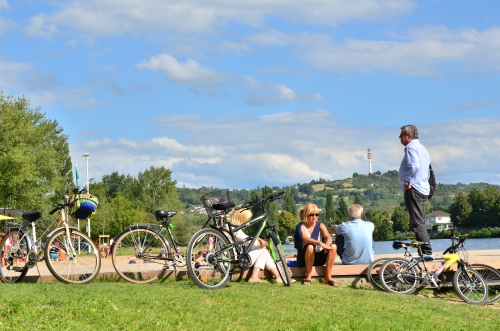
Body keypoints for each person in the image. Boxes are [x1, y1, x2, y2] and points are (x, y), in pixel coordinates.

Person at [398, 124, 432, 255]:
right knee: (420, 222)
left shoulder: (410, 147)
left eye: (401, 135)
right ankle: (423, 251)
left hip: (414, 189)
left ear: (409, 136)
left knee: (417, 223)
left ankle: (426, 253)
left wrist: (407, 181)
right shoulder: (422, 148)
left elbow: (415, 166)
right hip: (422, 188)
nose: (399, 138)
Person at [229, 209, 284, 284]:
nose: (248, 222)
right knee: (263, 250)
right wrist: (262, 244)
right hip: (236, 263)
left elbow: (246, 238)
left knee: (262, 251)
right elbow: (251, 242)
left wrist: (259, 239)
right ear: (241, 218)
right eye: (247, 219)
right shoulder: (236, 230)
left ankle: (278, 277)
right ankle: (276, 277)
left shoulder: (230, 227)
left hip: (231, 261)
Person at [294, 203, 337, 286]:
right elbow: (305, 239)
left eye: (317, 214)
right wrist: (320, 243)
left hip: (318, 257)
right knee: (310, 246)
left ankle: (328, 276)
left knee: (333, 246)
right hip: (305, 258)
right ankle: (309, 275)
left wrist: (327, 245)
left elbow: (328, 237)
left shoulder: (320, 224)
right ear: (305, 215)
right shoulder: (301, 226)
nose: (315, 217)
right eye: (311, 215)